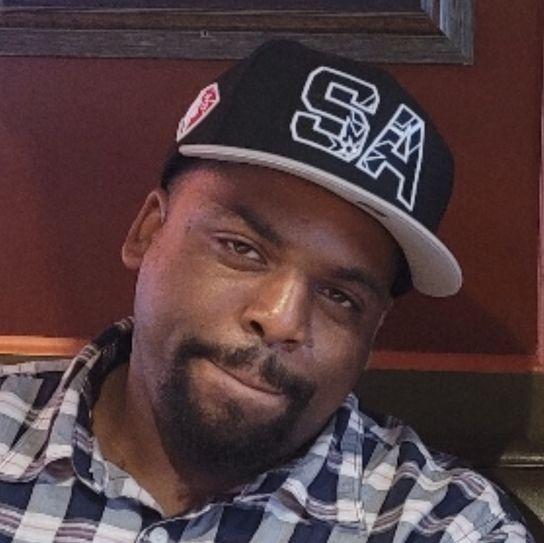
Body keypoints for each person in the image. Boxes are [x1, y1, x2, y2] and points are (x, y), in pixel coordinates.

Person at [0, 40, 534, 543]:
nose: (281, 319)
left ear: (373, 330)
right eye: (242, 249)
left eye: (340, 297)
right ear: (148, 231)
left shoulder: (445, 526)